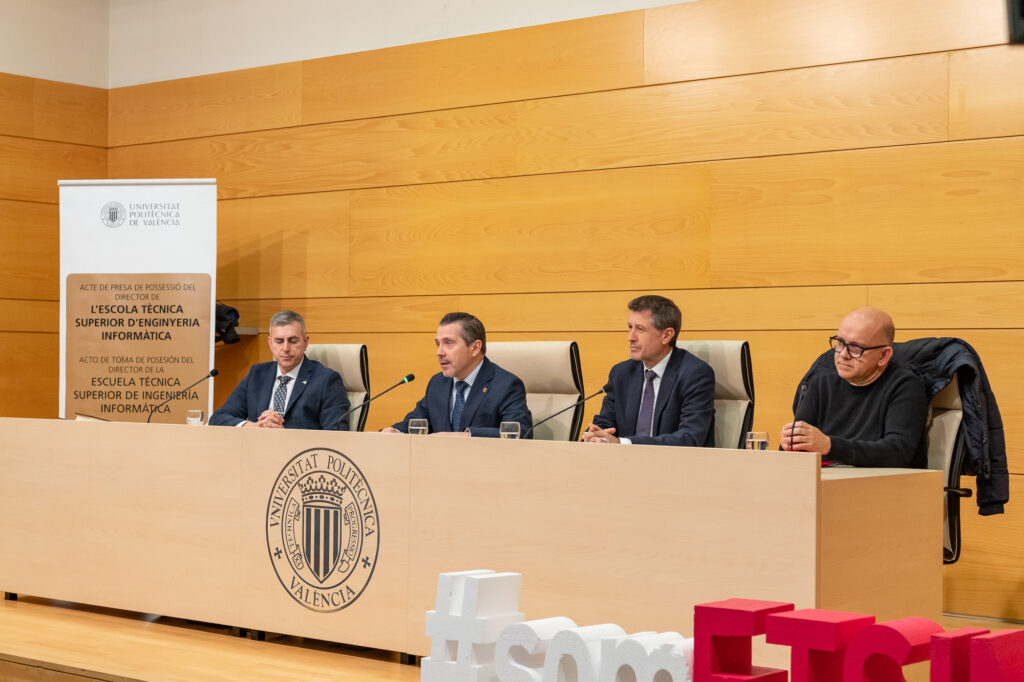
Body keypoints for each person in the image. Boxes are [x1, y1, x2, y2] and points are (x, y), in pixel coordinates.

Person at [780, 307, 928, 467]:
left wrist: (829, 445)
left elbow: (898, 452)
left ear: (883, 355)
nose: (843, 354)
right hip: (826, 477)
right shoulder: (821, 384)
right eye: (840, 343)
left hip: (880, 479)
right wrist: (791, 442)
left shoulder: (905, 386)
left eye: (856, 348)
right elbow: (797, 446)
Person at [582, 295, 715, 447]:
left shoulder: (695, 374)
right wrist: (596, 436)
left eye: (640, 329)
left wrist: (623, 443)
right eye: (630, 327)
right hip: (623, 460)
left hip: (676, 461)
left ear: (666, 336)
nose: (630, 337)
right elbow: (605, 423)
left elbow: (689, 438)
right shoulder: (622, 373)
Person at [382, 312, 532, 437]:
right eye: (438, 344)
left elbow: (521, 433)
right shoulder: (437, 383)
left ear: (475, 348)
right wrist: (394, 431)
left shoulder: (505, 385)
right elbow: (415, 422)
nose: (439, 352)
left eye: (448, 343)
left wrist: (466, 436)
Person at [209, 310, 349, 430]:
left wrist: (284, 436)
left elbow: (336, 435)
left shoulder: (326, 381)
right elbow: (218, 418)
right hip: (256, 450)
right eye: (279, 341)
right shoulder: (257, 375)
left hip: (299, 453)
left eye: (293, 341)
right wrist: (253, 426)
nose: (286, 348)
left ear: (305, 342)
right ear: (270, 343)